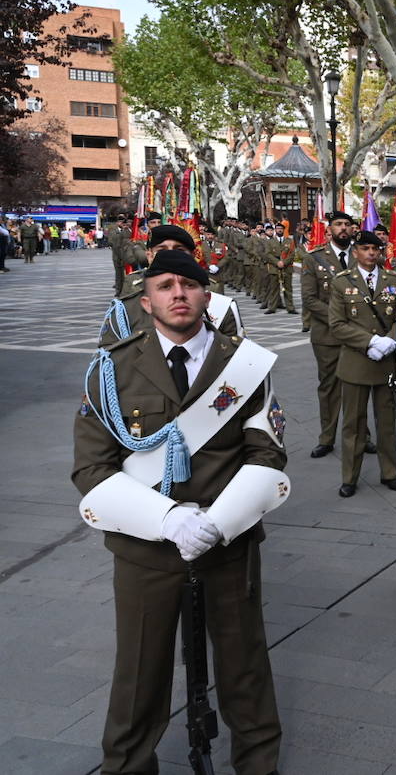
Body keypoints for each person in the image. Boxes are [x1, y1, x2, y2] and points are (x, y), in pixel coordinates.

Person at [72, 250, 290, 774]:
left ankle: (258, 764)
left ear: (206, 296)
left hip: (227, 541)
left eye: (188, 284)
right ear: (146, 302)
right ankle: (127, 765)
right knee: (139, 673)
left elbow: (267, 453)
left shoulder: (244, 364)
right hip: (146, 549)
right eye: (165, 285)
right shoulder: (112, 368)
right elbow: (91, 468)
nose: (178, 293)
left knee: (244, 665)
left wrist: (217, 521)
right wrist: (169, 520)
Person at [329, 230, 396, 497]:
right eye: (365, 249)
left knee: (386, 422)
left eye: (375, 249)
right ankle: (350, 477)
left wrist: (390, 341)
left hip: (386, 362)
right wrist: (371, 342)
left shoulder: (395, 280)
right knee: (353, 424)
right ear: (355, 252)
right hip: (355, 362)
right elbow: (337, 324)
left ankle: (390, 472)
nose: (371, 253)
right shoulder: (342, 282)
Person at [101, 225, 243, 346]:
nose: (170, 255)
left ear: (193, 255)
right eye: (161, 251)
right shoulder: (133, 287)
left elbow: (233, 352)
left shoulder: (212, 289)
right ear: (149, 256)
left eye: (179, 250)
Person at [300, 212, 364, 460]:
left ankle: (363, 435)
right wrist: (340, 319)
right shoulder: (313, 258)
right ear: (329, 229)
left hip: (359, 335)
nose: (344, 228)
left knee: (359, 386)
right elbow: (310, 299)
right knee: (329, 388)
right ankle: (326, 437)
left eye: (347, 224)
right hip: (328, 336)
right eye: (338, 224)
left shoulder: (361, 256)